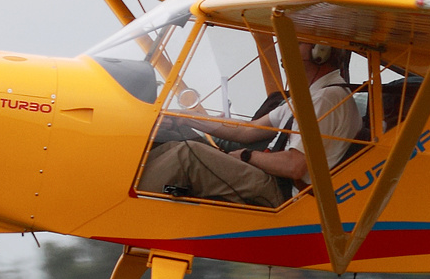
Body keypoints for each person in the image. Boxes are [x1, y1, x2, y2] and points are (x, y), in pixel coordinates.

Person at [138, 42, 362, 207]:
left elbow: (295, 165)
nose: (287, 43)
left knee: (187, 155)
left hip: (285, 196)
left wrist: (246, 156)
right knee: (176, 142)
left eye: (300, 41)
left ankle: (128, 202)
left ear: (320, 52)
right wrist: (182, 117)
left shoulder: (326, 100)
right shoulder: (314, 95)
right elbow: (248, 130)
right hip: (272, 182)